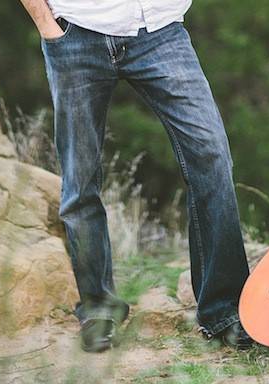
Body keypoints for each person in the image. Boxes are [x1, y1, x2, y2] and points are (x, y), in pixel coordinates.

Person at [19, 0, 253, 353]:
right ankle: (98, 308)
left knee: (212, 154)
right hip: (76, 33)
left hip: (161, 32)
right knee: (79, 178)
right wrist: (46, 25)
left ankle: (224, 310)